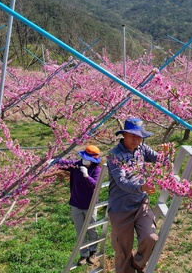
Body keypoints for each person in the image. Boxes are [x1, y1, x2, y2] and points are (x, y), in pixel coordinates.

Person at [107, 117, 160, 273]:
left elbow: (160, 160)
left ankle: (138, 264)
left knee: (151, 238)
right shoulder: (114, 155)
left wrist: (166, 153)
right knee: (123, 252)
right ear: (124, 134)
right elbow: (121, 182)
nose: (136, 139)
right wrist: (141, 187)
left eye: (139, 136)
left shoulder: (142, 148)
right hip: (121, 209)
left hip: (140, 204)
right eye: (132, 135)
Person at [52, 145, 102, 266]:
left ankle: (93, 252)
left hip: (90, 204)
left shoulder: (96, 169)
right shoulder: (77, 165)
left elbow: (95, 185)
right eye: (85, 158)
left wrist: (87, 176)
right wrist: (52, 160)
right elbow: (64, 163)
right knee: (80, 231)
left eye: (89, 159)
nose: (86, 161)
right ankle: (83, 254)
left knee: (92, 229)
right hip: (76, 203)